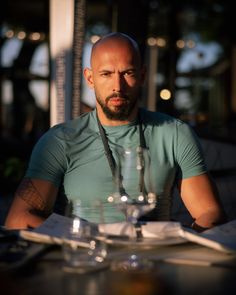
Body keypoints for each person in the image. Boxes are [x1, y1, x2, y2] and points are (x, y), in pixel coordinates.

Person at [5, 32, 226, 231]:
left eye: (127, 73)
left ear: (142, 76)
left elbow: (210, 213)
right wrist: (90, 241)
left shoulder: (175, 134)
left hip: (153, 264)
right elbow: (19, 218)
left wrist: (182, 248)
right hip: (86, 258)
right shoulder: (60, 140)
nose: (117, 86)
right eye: (106, 74)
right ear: (90, 78)